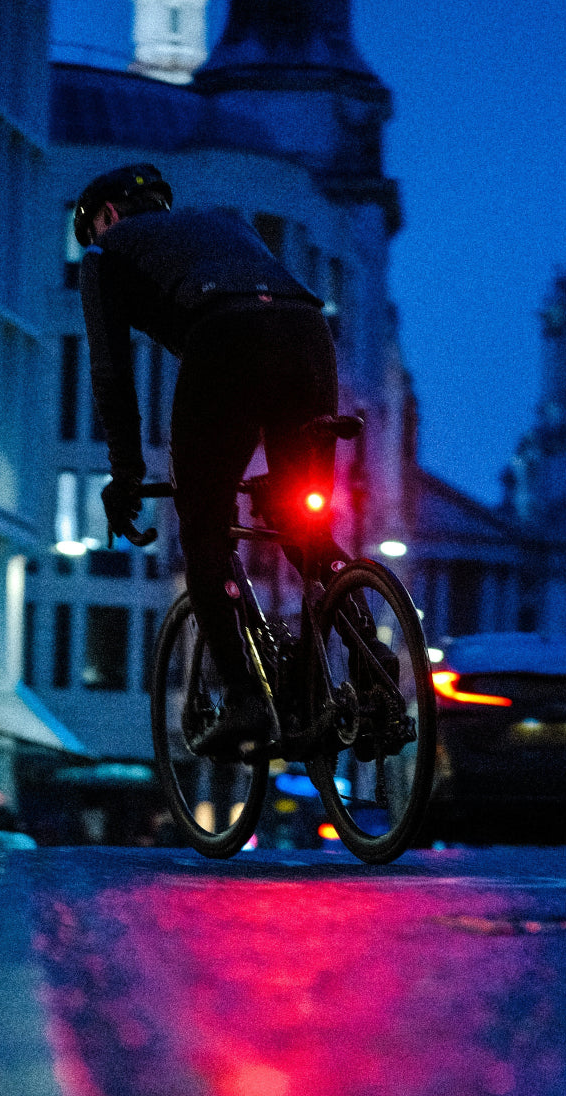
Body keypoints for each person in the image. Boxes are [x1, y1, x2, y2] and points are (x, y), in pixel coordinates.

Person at [74, 162, 383, 757]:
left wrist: (127, 474)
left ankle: (243, 698)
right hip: (306, 332)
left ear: (105, 217)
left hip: (227, 337)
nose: (94, 241)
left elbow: (111, 372)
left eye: (91, 230)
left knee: (204, 525)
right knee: (302, 523)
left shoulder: (105, 254)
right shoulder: (218, 222)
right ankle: (373, 666)